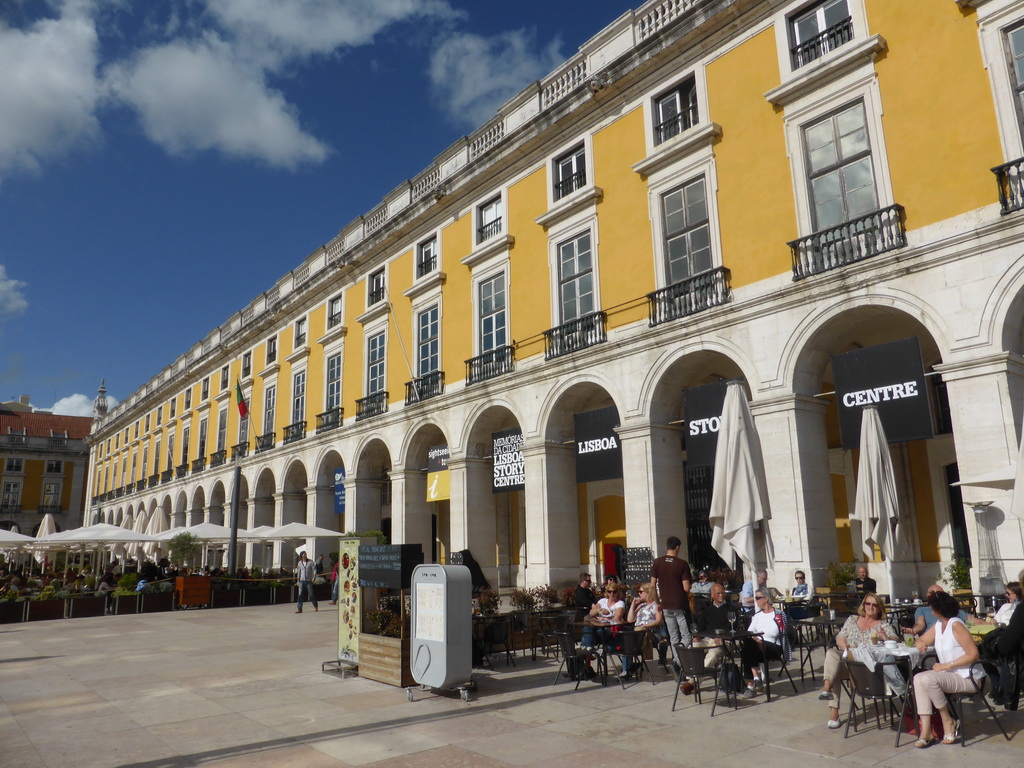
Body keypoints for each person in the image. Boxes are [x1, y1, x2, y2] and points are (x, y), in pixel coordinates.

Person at [912, 591, 986, 747]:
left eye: (932, 607)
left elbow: (973, 654)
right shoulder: (939, 625)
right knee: (918, 679)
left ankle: (948, 720)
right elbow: (921, 639)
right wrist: (920, 643)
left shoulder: (956, 624)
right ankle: (926, 731)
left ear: (937, 609)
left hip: (968, 677)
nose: (931, 610)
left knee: (927, 678)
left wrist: (946, 665)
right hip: (950, 676)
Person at [817, 593, 898, 728]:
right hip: (850, 660)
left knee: (834, 671)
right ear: (863, 605)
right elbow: (840, 637)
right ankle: (827, 689)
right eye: (868, 604)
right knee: (832, 654)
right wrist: (845, 648)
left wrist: (885, 637)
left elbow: (895, 640)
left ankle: (833, 709)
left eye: (874, 605)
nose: (870, 607)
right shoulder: (852, 619)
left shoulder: (882, 625)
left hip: (867, 667)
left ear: (879, 608)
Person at [650, 536, 693, 652]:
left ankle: (676, 660)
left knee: (673, 637)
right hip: (680, 604)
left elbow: (652, 585)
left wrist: (657, 601)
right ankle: (682, 658)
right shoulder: (682, 564)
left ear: (666, 547)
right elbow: (686, 587)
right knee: (686, 636)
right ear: (677, 547)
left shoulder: (657, 562)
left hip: (666, 604)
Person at [740, 590, 784, 698]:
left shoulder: (778, 614)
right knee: (747, 646)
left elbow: (777, 632)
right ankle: (756, 679)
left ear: (766, 599)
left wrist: (760, 640)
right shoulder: (757, 616)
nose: (756, 601)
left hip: (774, 646)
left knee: (747, 650)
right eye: (755, 598)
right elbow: (749, 633)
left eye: (758, 598)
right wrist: (757, 640)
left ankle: (751, 686)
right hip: (757, 646)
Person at [621, 584, 663, 678]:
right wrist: (633, 604)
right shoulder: (641, 606)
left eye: (641, 592)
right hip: (638, 632)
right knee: (627, 637)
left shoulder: (656, 605)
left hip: (650, 632)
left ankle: (627, 669)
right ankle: (627, 668)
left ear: (648, 592)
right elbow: (630, 620)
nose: (638, 594)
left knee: (629, 640)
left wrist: (645, 625)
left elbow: (659, 621)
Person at [904, 584, 969, 635]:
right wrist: (913, 631)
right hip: (930, 643)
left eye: (940, 594)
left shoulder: (952, 610)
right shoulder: (922, 610)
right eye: (934, 594)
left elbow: (972, 620)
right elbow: (920, 624)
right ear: (928, 595)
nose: (938, 597)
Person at [695, 582, 731, 669]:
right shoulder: (708, 611)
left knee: (713, 653)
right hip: (708, 639)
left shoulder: (731, 609)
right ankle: (691, 674)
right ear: (712, 595)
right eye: (718, 593)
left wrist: (721, 637)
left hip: (724, 641)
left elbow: (733, 627)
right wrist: (697, 636)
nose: (721, 595)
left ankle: (694, 679)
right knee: (692, 647)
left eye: (722, 593)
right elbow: (701, 627)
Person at [582, 583, 626, 649]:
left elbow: (618, 617)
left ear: (618, 592)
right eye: (609, 591)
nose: (612, 593)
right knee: (587, 628)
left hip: (611, 628)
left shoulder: (620, 603)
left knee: (596, 632)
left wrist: (604, 618)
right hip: (599, 626)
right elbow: (591, 613)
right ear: (607, 592)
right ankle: (588, 649)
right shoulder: (602, 601)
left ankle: (588, 650)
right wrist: (599, 610)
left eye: (614, 591)